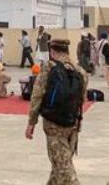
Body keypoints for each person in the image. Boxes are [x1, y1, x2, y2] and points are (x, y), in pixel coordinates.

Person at [25, 39, 88, 185]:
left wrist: (31, 122)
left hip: (54, 125)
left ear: (52, 52)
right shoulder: (80, 71)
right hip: (73, 125)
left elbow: (37, 95)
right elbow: (82, 99)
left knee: (64, 170)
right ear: (67, 51)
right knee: (60, 164)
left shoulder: (49, 67)